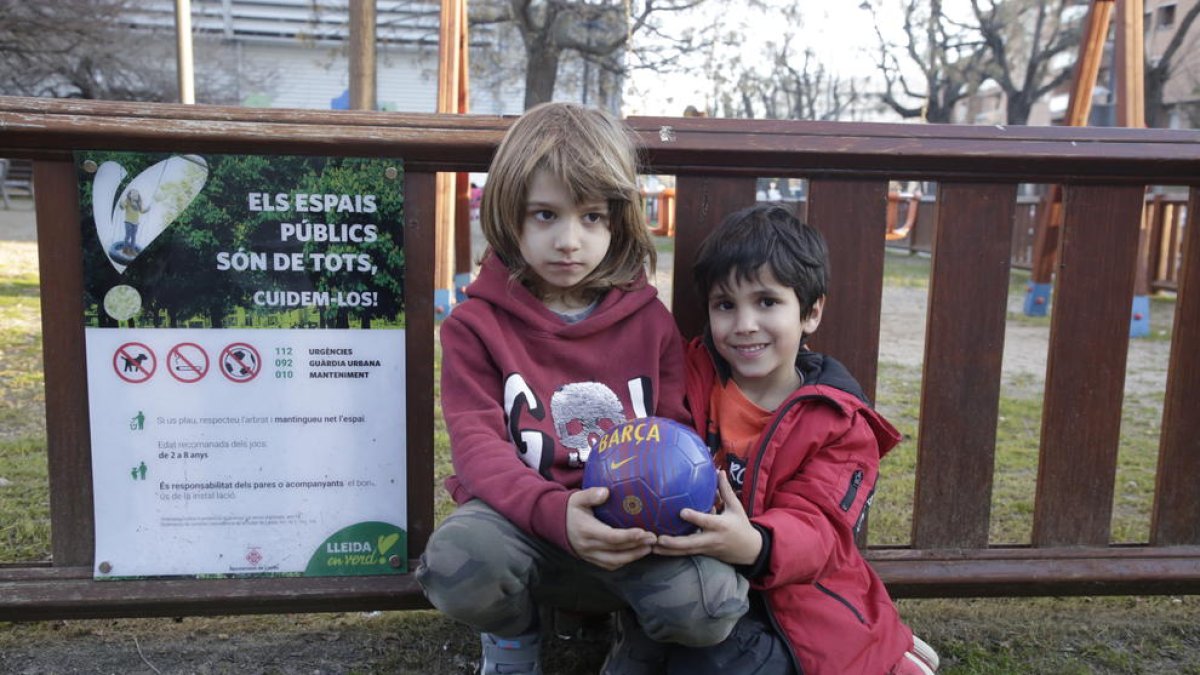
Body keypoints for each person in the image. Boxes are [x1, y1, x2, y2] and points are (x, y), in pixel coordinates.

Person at [415, 102, 749, 675]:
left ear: (619, 221)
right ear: (508, 215)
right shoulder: (475, 327)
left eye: (592, 217)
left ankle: (637, 638)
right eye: (546, 215)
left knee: (711, 604)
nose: (570, 241)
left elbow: (674, 430)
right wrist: (553, 511)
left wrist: (670, 521)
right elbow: (478, 451)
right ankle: (514, 641)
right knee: (456, 560)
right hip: (524, 528)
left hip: (634, 533)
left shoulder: (649, 321)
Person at [653, 204, 940, 674]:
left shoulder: (837, 421)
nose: (744, 323)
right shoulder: (691, 376)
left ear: (811, 312)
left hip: (797, 598)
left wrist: (757, 544)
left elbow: (822, 528)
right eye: (726, 305)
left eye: (766, 302)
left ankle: (887, 650)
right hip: (703, 581)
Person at [119, 188, 150, 254]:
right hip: (128, 222)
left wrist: (147, 209)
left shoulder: (138, 203)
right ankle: (125, 249)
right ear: (130, 195)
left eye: (136, 195)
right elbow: (123, 207)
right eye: (132, 195)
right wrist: (121, 204)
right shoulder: (128, 201)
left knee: (133, 237)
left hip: (136, 223)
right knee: (128, 236)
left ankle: (132, 250)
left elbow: (141, 211)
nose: (134, 197)